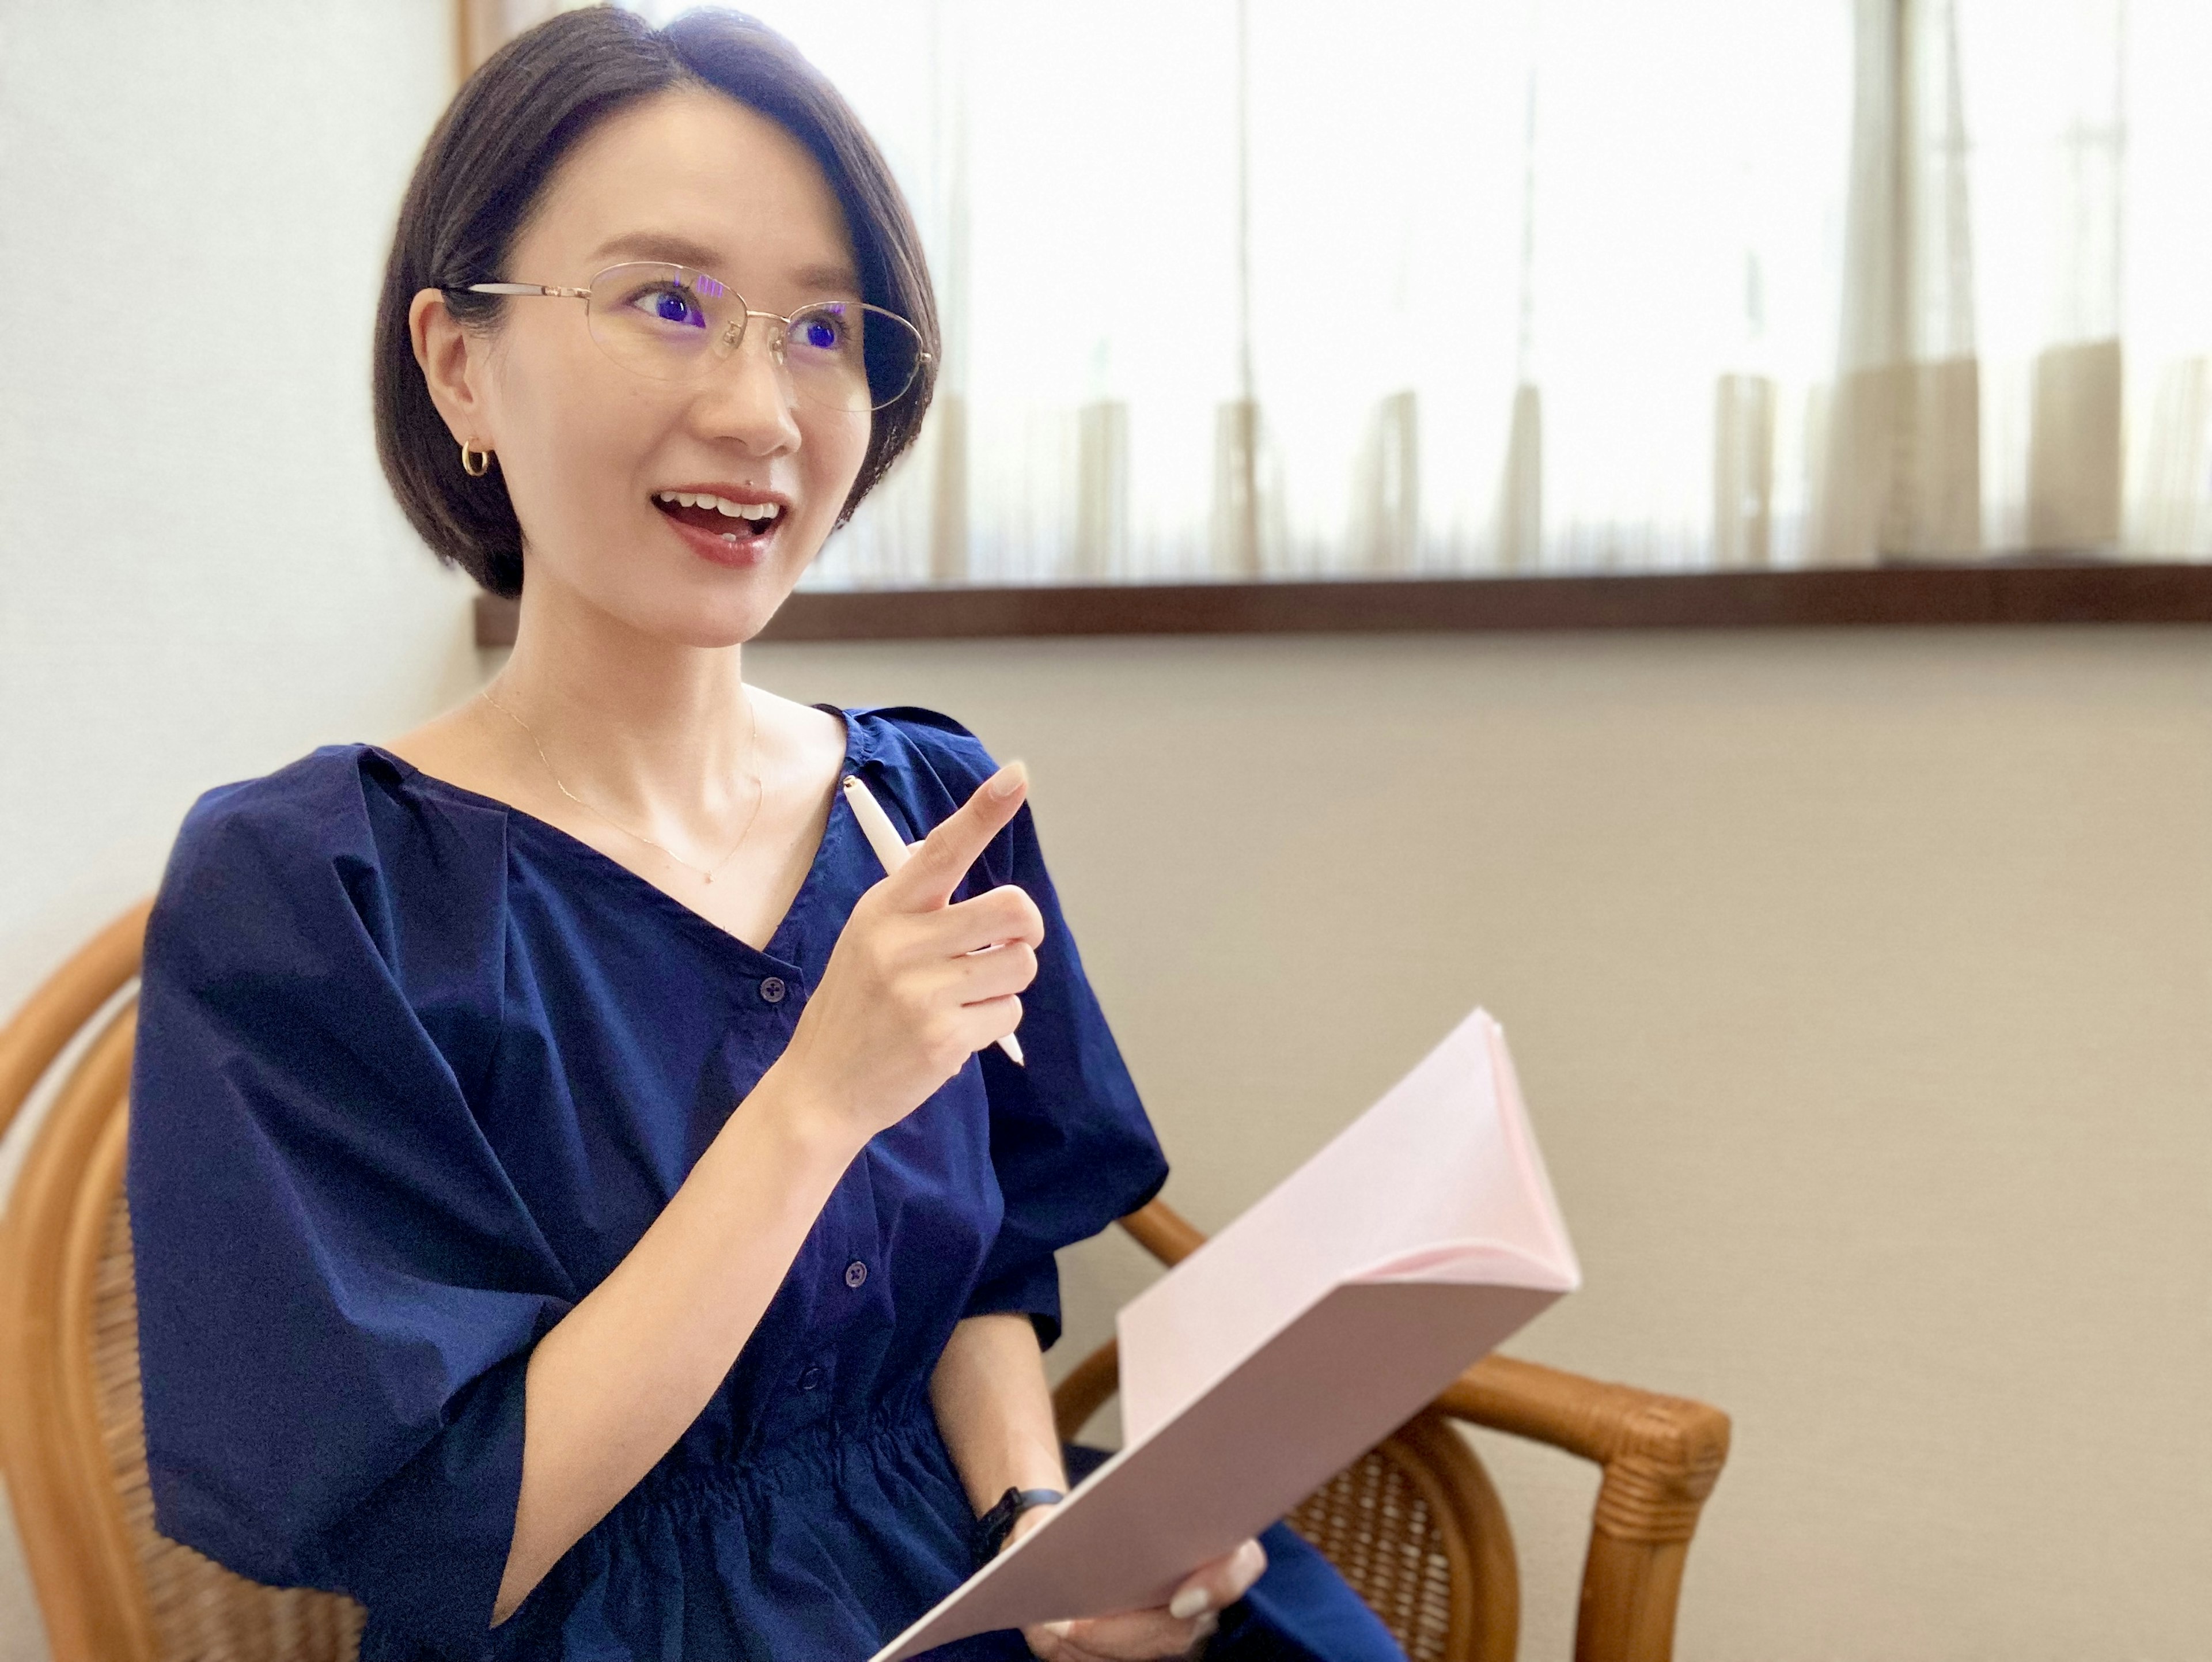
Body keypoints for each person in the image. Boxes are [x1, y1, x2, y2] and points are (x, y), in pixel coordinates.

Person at [127, 10, 1411, 1661]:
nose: (762, 411)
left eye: (825, 329)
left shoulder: (924, 809)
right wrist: (817, 1099)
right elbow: (454, 1531)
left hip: (963, 1566)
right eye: (668, 303)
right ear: (460, 361)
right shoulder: (325, 891)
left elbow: (995, 1259)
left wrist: (1039, 1527)